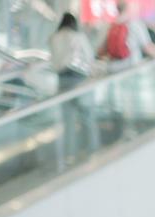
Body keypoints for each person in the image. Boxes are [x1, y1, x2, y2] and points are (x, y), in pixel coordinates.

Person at [49, 13, 98, 170]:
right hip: (79, 80)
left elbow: (53, 61)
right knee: (87, 117)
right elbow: (89, 57)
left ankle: (69, 155)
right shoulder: (77, 36)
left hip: (62, 80)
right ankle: (91, 150)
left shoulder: (53, 38)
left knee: (68, 121)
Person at [98, 1, 155, 70]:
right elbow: (148, 48)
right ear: (129, 8)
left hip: (113, 70)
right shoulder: (135, 24)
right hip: (132, 69)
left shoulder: (109, 27)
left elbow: (101, 51)